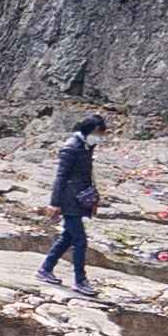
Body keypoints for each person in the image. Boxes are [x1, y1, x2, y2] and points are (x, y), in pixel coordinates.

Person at [39, 114, 107, 290]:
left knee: (68, 237)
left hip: (80, 198)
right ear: (88, 131)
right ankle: (80, 280)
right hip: (69, 201)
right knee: (80, 240)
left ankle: (45, 269)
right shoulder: (71, 148)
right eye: (98, 133)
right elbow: (60, 177)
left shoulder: (86, 146)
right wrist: (54, 203)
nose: (99, 137)